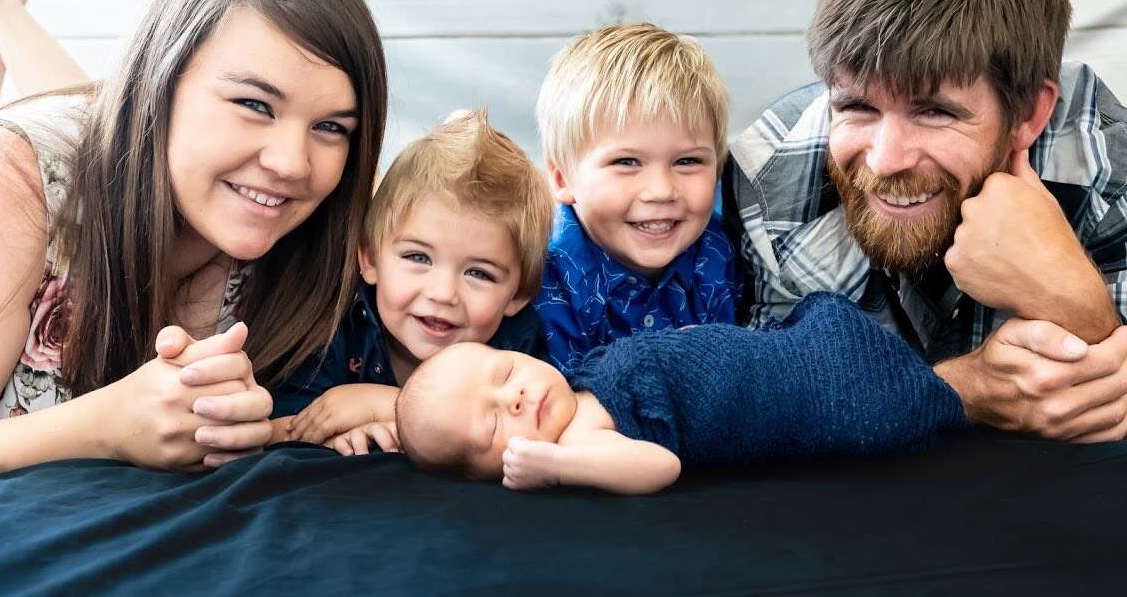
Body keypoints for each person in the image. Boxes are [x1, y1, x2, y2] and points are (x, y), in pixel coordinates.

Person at [0, 0, 388, 474]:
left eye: (332, 127)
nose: (291, 163)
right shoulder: (18, 183)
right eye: (255, 105)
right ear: (164, 82)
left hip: (118, 141)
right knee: (60, 144)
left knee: (101, 131)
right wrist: (103, 426)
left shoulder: (333, 216)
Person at [723, 0, 1127, 441]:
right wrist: (963, 390)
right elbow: (773, 402)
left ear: (1028, 113)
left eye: (934, 112)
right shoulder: (770, 182)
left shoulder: (1108, 168)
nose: (886, 159)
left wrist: (1071, 295)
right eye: (857, 107)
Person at [386, 293, 969, 494]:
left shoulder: (585, 379)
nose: (513, 398)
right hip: (811, 397)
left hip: (790, 350)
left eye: (507, 371)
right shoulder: (583, 438)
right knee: (885, 403)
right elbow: (658, 465)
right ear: (487, 472)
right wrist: (560, 466)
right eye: (492, 426)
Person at [269, 110, 554, 454]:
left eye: (479, 273)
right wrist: (332, 435)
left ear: (518, 295)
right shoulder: (335, 326)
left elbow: (542, 440)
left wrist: (386, 405)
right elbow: (273, 429)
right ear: (370, 260)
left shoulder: (516, 353)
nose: (443, 293)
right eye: (418, 258)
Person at [532, 23, 738, 369]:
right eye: (626, 162)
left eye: (687, 161)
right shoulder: (545, 277)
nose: (660, 191)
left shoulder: (720, 253)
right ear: (561, 177)